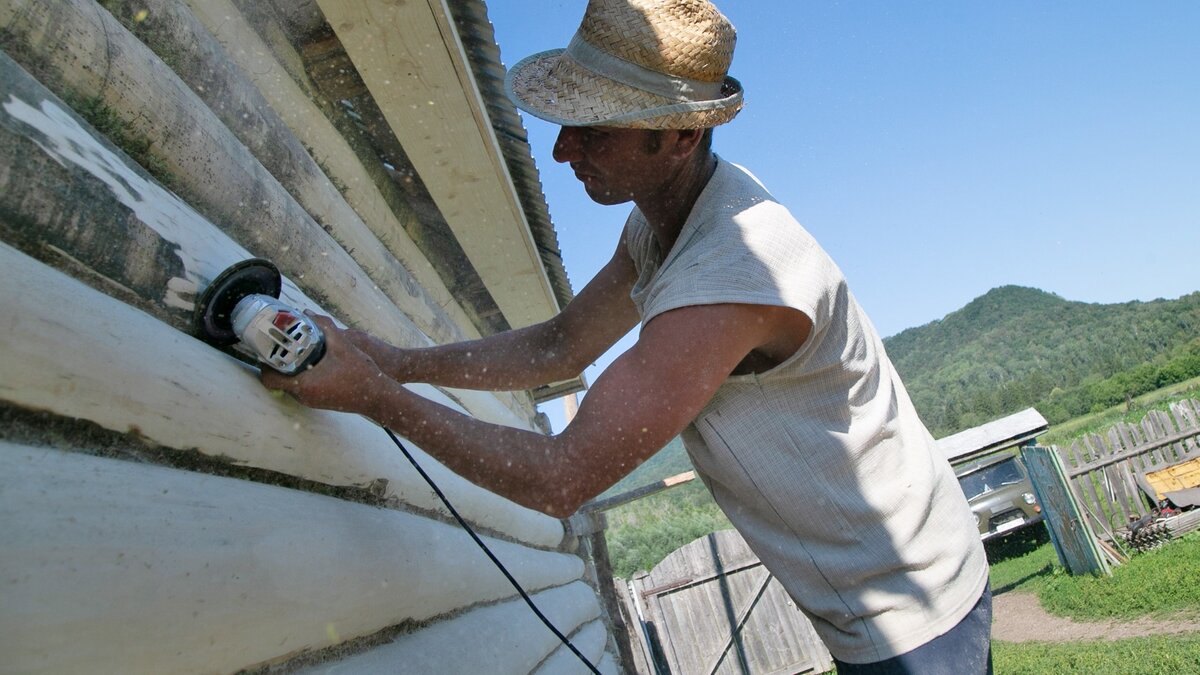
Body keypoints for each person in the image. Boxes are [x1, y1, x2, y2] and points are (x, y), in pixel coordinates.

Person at [262, 0, 992, 671]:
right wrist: (393, 361)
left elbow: (562, 476)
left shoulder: (732, 269)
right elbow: (560, 347)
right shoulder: (660, 223)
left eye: (594, 129)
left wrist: (372, 396)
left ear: (681, 133)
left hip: (915, 606)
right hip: (877, 593)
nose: (562, 150)